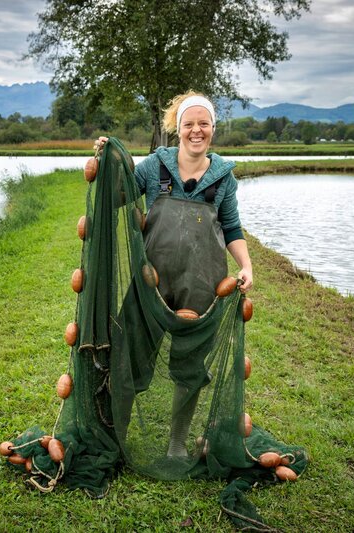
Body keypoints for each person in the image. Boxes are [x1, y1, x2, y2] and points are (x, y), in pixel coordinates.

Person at [98, 90, 253, 457]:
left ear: (213, 128)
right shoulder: (155, 167)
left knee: (190, 366)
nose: (196, 131)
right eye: (189, 124)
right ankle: (116, 438)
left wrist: (246, 265)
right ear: (177, 129)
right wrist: (109, 159)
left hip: (201, 285)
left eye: (204, 124)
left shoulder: (223, 178)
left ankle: (177, 444)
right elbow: (119, 195)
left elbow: (231, 228)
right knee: (130, 355)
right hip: (151, 280)